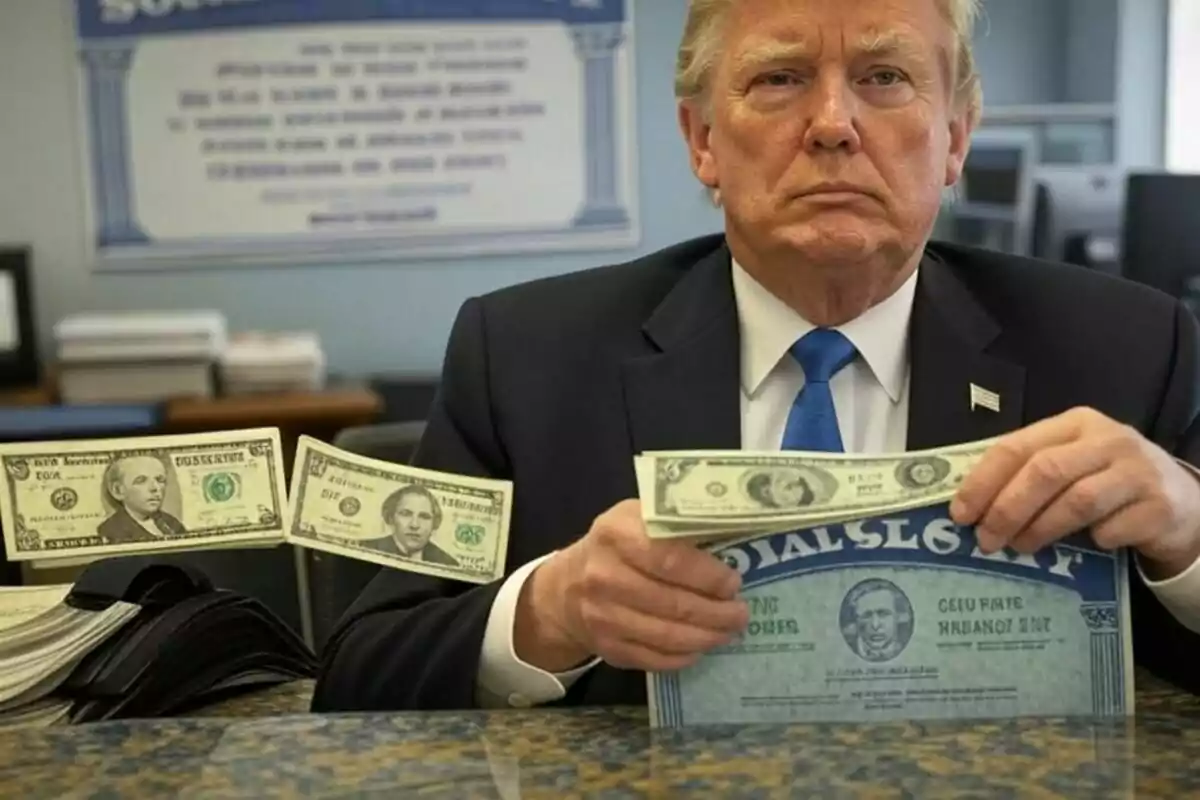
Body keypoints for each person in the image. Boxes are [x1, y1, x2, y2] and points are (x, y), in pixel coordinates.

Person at [312, 0, 1200, 712]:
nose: (832, 124)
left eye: (884, 77)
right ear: (703, 140)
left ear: (956, 137)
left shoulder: (1124, 348)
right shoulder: (522, 355)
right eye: (778, 79)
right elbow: (360, 672)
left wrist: (1189, 538)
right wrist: (553, 609)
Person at [97, 454, 187, 544]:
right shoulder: (110, 530)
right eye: (141, 481)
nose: (155, 488)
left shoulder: (172, 523)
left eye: (160, 480)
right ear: (118, 490)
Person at [366, 484, 459, 566]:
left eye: (424, 517)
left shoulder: (448, 564)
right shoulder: (366, 549)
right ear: (391, 518)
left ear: (434, 524)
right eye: (406, 514)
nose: (414, 525)